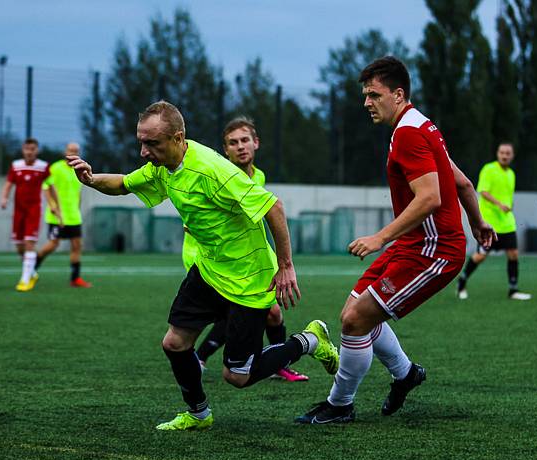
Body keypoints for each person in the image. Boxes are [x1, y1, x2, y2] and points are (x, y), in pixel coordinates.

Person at [67, 100, 340, 431]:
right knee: (174, 344)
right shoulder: (162, 166)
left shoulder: (213, 170)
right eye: (141, 142)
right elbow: (124, 184)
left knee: (238, 376)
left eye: (151, 143)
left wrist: (285, 266)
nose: (143, 151)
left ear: (178, 138)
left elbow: (274, 207)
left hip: (247, 279)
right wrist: (92, 179)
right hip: (209, 271)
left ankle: (309, 341)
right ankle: (198, 414)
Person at [296, 56, 495, 424]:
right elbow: (462, 183)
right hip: (414, 245)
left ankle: (340, 405)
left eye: (374, 95)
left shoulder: (408, 133)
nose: (366, 103)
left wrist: (379, 238)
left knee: (355, 321)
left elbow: (430, 197)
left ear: (398, 94)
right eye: (365, 95)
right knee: (353, 313)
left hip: (435, 252)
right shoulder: (421, 125)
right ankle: (406, 375)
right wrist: (479, 222)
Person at [192, 117, 307, 382]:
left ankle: (275, 363)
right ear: (225, 150)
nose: (241, 147)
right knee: (235, 311)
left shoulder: (259, 176)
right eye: (233, 143)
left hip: (248, 259)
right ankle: (201, 357)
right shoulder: (219, 176)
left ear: (256, 143)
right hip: (215, 258)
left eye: (245, 140)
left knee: (272, 312)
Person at [456, 142, 531, 300]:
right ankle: (462, 281)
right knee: (480, 256)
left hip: (507, 223)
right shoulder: (489, 169)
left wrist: (508, 206)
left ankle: (513, 290)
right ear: (498, 153)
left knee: (513, 254)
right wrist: (499, 204)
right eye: (502, 152)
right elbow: (483, 191)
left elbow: (508, 198)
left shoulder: (511, 173)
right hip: (489, 223)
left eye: (508, 153)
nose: (504, 155)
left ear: (512, 156)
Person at [0, 138, 62, 292]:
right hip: (18, 211)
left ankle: (25, 280)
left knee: (29, 243)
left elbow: (51, 187)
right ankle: (32, 273)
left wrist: (56, 206)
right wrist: (4, 198)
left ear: (37, 150)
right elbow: (8, 184)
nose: (29, 152)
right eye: (27, 149)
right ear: (23, 150)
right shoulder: (16, 166)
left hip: (33, 210)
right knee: (20, 246)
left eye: (32, 149)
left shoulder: (43, 167)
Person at [33, 141, 92, 288]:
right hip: (57, 215)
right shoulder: (55, 168)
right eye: (70, 150)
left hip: (74, 216)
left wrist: (78, 208)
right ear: (65, 151)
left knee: (77, 245)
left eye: (76, 151)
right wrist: (53, 207)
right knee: (53, 244)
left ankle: (75, 278)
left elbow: (78, 192)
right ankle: (30, 270)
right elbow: (46, 187)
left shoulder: (79, 169)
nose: (73, 153)